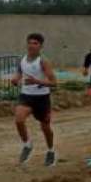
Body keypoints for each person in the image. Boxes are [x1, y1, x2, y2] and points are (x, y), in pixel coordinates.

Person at [12, 33, 58, 167]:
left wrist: (36, 81)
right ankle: (27, 144)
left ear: (41, 46)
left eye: (35, 43)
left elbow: (54, 82)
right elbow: (20, 72)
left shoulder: (43, 61)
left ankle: (50, 150)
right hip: (26, 96)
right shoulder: (22, 59)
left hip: (42, 98)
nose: (31, 45)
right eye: (30, 43)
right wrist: (16, 79)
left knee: (45, 128)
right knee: (19, 119)